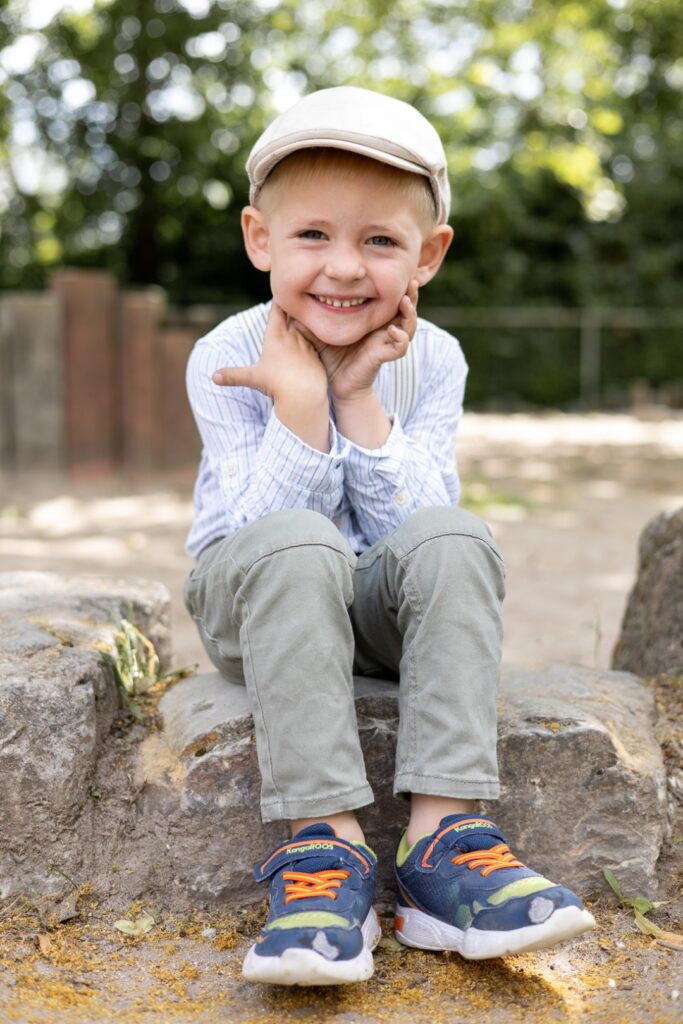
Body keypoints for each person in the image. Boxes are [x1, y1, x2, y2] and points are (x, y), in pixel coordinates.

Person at [183, 85, 595, 987]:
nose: (343, 267)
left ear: (427, 256)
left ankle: (441, 837)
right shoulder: (227, 353)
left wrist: (359, 398)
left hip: (371, 599)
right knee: (299, 542)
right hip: (253, 598)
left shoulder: (433, 358)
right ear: (260, 239)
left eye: (378, 241)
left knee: (456, 531)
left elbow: (416, 537)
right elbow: (261, 535)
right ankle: (323, 852)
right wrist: (298, 405)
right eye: (312, 236)